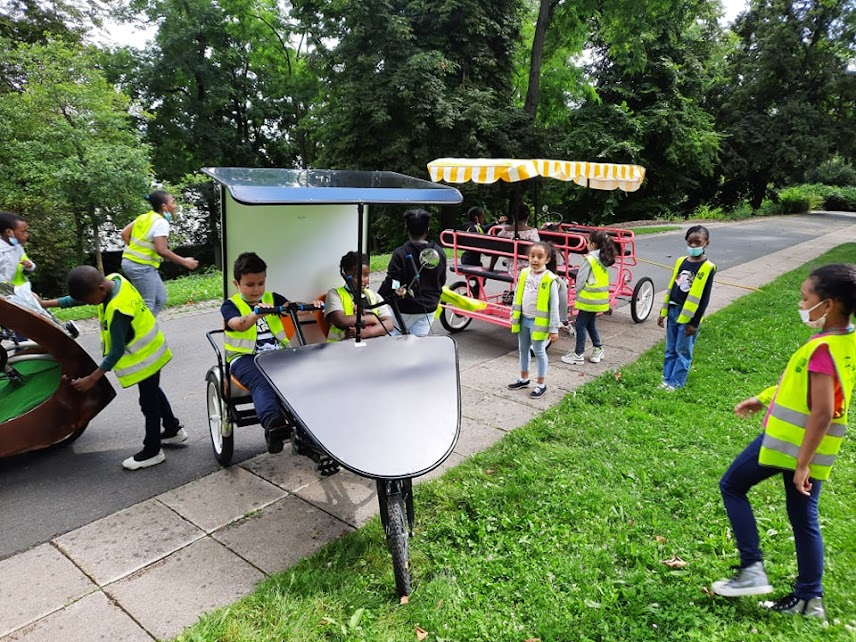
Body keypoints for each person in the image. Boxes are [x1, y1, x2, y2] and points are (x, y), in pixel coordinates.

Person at [711, 263, 856, 621]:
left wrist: (802, 463)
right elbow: (801, 386)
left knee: (732, 486)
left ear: (828, 304)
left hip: (790, 446)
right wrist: (762, 398)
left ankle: (752, 569)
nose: (801, 304)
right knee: (803, 517)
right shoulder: (846, 340)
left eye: (806, 298)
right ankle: (810, 599)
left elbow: (822, 411)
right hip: (815, 449)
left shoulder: (822, 349)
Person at [42, 266, 185, 470]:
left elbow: (116, 352)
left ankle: (153, 451)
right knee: (153, 393)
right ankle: (173, 430)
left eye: (90, 300)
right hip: (153, 350)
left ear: (100, 289)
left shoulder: (118, 310)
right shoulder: (114, 280)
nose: (89, 304)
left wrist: (92, 379)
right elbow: (77, 299)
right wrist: (45, 303)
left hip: (146, 357)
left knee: (149, 404)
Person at [221, 252, 321, 454]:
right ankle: (273, 424)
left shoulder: (272, 298)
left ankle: (310, 423)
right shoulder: (230, 305)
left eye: (261, 283)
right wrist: (256, 313)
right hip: (244, 358)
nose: (256, 289)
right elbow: (238, 324)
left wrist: (312, 307)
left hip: (276, 354)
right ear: (236, 284)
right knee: (262, 380)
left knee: (304, 374)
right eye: (250, 285)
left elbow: (292, 308)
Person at [121, 190, 199, 317]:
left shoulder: (144, 217)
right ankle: (139, 328)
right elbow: (161, 250)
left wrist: (135, 250)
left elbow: (124, 233)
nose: (175, 206)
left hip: (135, 264)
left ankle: (146, 325)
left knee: (160, 299)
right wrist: (184, 261)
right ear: (164, 206)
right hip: (140, 266)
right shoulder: (161, 223)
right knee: (148, 304)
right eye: (173, 202)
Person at [656, 225, 715, 390]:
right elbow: (672, 287)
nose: (694, 245)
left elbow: (704, 298)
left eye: (698, 242)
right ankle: (666, 379)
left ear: (706, 243)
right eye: (690, 242)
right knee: (670, 349)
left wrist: (694, 323)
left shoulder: (707, 267)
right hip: (673, 310)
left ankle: (676, 383)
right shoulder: (681, 261)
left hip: (688, 316)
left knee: (683, 350)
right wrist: (663, 311)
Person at [378, 209, 447, 337]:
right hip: (429, 308)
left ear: (407, 229)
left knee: (392, 342)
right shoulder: (439, 253)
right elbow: (441, 280)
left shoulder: (400, 253)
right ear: (427, 229)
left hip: (403, 309)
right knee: (416, 344)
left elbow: (392, 283)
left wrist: (377, 299)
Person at [507, 241, 560, 399]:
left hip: (538, 323)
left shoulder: (550, 279)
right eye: (532, 256)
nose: (535, 260)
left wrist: (554, 329)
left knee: (539, 352)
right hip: (523, 319)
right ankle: (524, 378)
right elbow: (517, 295)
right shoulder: (524, 273)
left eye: (540, 257)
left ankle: (541, 384)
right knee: (523, 349)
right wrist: (513, 314)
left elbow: (554, 306)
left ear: (547, 259)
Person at [561, 230, 617, 365]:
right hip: (599, 299)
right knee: (590, 323)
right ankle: (598, 348)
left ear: (593, 244)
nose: (586, 245)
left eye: (588, 242)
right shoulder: (604, 259)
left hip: (588, 299)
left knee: (579, 324)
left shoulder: (590, 259)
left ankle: (578, 353)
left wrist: (577, 293)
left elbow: (580, 279)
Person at [326, 251, 394, 341]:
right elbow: (341, 321)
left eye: (366, 275)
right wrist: (372, 319)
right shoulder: (335, 294)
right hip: (343, 344)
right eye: (356, 276)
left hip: (372, 344)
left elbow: (389, 324)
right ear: (345, 275)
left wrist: (365, 333)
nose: (362, 279)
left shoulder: (374, 296)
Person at [0, 212, 31, 287]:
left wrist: (29, 266)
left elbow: (27, 264)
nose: (26, 235)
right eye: (23, 231)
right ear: (9, 232)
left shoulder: (18, 248)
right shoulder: (2, 251)